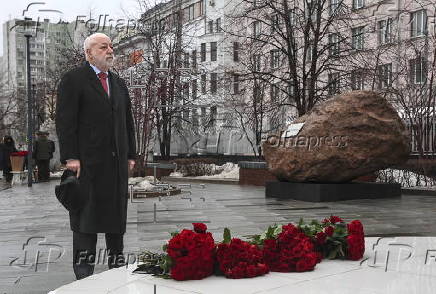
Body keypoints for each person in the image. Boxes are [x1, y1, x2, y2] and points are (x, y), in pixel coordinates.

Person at [55, 33, 136, 280]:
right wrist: (70, 157)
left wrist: (130, 155)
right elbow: (65, 121)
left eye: (111, 46)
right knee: (85, 225)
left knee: (115, 225)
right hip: (87, 168)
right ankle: (84, 277)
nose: (110, 50)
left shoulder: (119, 83)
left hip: (115, 168)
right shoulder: (73, 80)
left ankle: (117, 273)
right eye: (104, 47)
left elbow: (127, 122)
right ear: (89, 52)